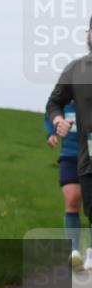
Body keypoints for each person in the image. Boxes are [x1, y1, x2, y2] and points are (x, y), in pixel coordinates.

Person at [46, 15, 92, 272]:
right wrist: (57, 122)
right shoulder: (76, 69)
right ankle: (77, 250)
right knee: (76, 199)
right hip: (78, 152)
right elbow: (53, 104)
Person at [43, 99, 84, 269]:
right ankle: (74, 252)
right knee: (72, 200)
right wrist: (52, 133)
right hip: (69, 157)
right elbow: (50, 114)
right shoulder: (63, 100)